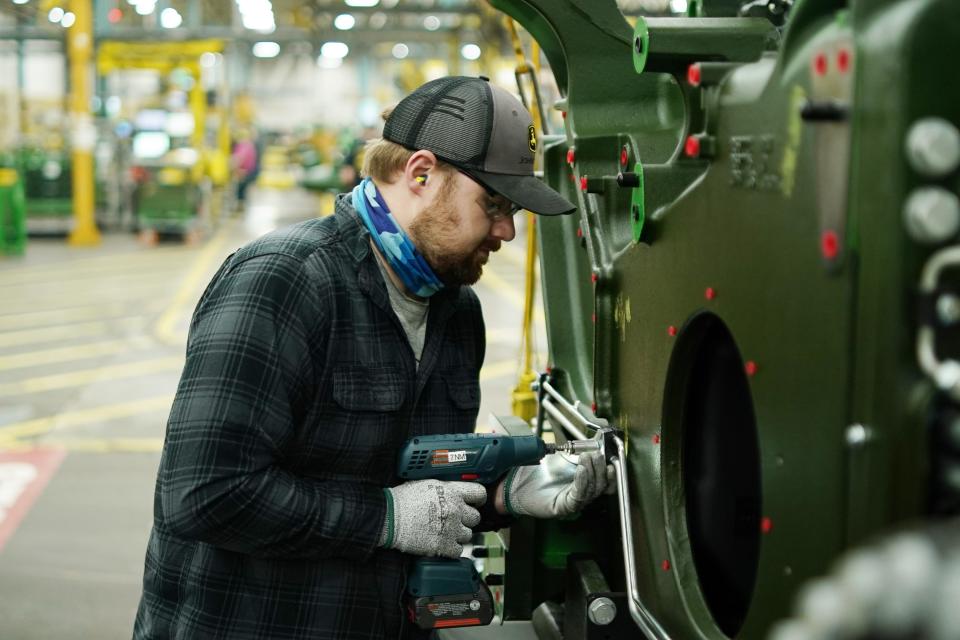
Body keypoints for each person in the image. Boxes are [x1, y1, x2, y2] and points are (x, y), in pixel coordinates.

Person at [133, 76, 612, 640]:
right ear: (421, 174)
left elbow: (415, 486)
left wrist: (505, 493)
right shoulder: (284, 282)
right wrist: (384, 519)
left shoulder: (456, 313)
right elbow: (206, 493)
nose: (506, 231)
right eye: (494, 204)